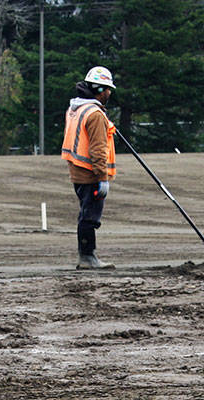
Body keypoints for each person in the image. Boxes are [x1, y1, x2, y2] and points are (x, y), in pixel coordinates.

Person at [61, 66, 117, 269]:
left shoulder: (76, 109)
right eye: (108, 89)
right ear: (100, 90)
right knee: (89, 217)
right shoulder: (94, 114)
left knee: (85, 214)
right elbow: (97, 150)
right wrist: (102, 178)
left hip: (77, 171)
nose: (109, 93)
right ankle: (87, 258)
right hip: (90, 174)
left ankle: (87, 256)